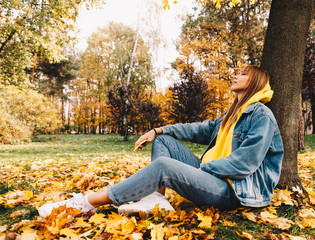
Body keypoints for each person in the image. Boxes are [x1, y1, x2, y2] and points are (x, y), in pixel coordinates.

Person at [38, 65, 284, 218]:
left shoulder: (261, 116)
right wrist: (157, 130)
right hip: (215, 177)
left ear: (254, 82)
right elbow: (199, 129)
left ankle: (85, 202)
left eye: (242, 74)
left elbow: (245, 163)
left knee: (164, 167)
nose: (236, 75)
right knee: (164, 141)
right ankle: (156, 198)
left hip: (234, 191)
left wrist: (201, 169)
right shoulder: (232, 115)